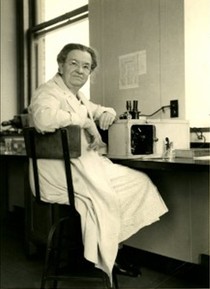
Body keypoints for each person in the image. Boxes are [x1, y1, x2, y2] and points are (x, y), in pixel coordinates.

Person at [28, 43, 168, 282]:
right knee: (134, 184)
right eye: (74, 64)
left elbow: (98, 109)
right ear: (60, 65)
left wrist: (107, 113)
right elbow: (42, 119)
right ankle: (108, 253)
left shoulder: (76, 95)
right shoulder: (47, 92)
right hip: (61, 174)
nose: (80, 71)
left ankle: (110, 249)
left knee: (136, 184)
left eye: (86, 67)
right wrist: (84, 120)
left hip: (78, 168)